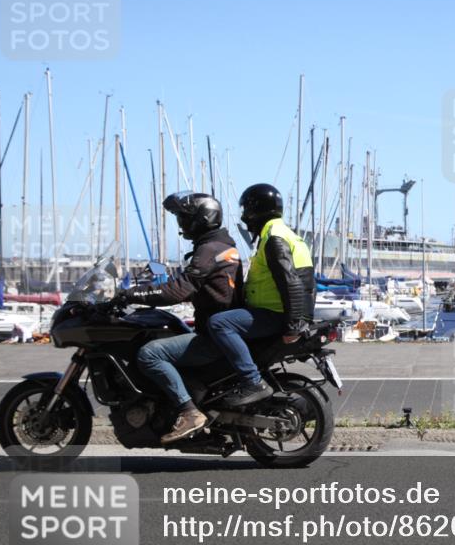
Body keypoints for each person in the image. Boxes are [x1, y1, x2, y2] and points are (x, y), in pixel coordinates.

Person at [117, 192, 243, 444]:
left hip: (214, 337)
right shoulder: (221, 246)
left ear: (201, 219)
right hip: (219, 331)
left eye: (184, 217)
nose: (181, 223)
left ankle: (189, 412)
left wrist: (130, 294)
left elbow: (178, 290)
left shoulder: (210, 250)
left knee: (149, 354)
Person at [207, 183, 315, 406]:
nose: (245, 217)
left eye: (246, 210)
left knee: (219, 323)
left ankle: (252, 381)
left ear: (256, 210)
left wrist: (293, 325)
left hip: (274, 314)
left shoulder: (274, 238)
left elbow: (290, 282)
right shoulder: (285, 234)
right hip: (281, 313)